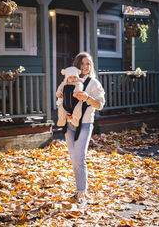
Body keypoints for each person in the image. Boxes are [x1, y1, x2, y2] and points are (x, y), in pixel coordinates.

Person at [65, 52, 105, 207]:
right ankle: (78, 191)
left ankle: (82, 194)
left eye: (88, 64)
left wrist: (87, 97)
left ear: (91, 66)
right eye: (82, 64)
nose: (85, 67)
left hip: (86, 124)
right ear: (77, 65)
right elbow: (61, 99)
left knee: (80, 158)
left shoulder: (94, 83)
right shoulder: (71, 80)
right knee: (74, 160)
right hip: (69, 125)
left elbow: (100, 105)